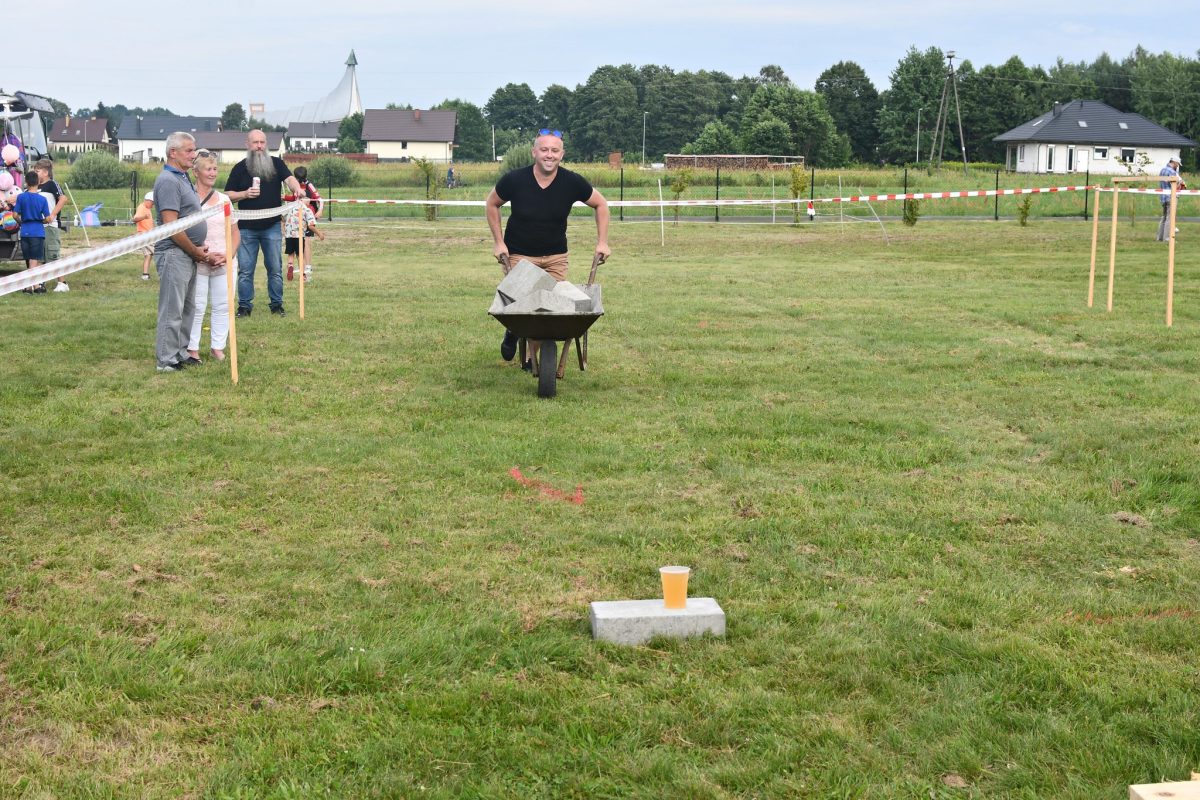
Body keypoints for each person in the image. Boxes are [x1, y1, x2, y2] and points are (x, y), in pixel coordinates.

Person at [485, 129, 610, 363]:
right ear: (534, 152)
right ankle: (513, 330)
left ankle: (531, 360)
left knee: (549, 310)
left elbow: (601, 204)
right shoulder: (515, 180)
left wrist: (602, 241)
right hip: (520, 255)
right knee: (524, 305)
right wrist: (499, 243)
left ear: (562, 154)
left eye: (554, 150)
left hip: (556, 257)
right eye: (544, 149)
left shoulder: (572, 181)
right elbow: (492, 204)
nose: (549, 155)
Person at [153, 131, 220, 372]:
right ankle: (166, 360)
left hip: (188, 254)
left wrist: (196, 251)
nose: (194, 155)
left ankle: (180, 353)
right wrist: (195, 251)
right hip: (174, 253)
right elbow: (172, 226)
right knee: (173, 309)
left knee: (187, 308)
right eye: (189, 150)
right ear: (173, 152)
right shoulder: (168, 181)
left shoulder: (182, 178)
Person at [223, 129, 306, 317]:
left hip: (272, 227)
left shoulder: (277, 163)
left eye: (262, 142)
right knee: (245, 270)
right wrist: (244, 194)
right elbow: (227, 195)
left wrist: (297, 189)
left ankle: (276, 305)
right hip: (246, 228)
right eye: (255, 142)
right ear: (247, 144)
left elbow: (290, 179)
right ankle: (244, 307)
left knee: (275, 269)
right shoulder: (239, 168)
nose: (259, 146)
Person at [187, 149, 238, 363]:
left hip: (224, 261)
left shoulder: (224, 200)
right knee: (197, 306)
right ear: (196, 172)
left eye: (215, 169)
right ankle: (192, 348)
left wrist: (228, 255)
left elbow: (235, 232)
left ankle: (218, 346)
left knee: (223, 305)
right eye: (208, 169)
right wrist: (202, 254)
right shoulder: (188, 199)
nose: (212, 173)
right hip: (198, 260)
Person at [282, 164, 323, 281]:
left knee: (306, 242)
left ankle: (307, 267)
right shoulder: (295, 186)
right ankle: (303, 269)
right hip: (297, 218)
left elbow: (320, 199)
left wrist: (320, 210)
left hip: (308, 215)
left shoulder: (309, 185)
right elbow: (295, 198)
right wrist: (285, 197)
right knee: (301, 245)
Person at [12, 169, 50, 294]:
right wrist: (42, 221)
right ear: (38, 182)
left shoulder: (21, 197)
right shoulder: (42, 199)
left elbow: (14, 214)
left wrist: (21, 222)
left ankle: (31, 287)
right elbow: (48, 218)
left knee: (28, 259)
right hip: (37, 231)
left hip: (25, 231)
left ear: (26, 183)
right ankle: (34, 286)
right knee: (34, 259)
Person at [34, 160, 68, 292]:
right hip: (38, 227)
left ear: (45, 172)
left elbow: (63, 198)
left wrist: (53, 214)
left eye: (37, 171)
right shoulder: (34, 186)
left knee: (53, 255)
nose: (35, 173)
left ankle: (62, 283)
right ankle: (39, 282)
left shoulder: (52, 184)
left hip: (50, 226)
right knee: (39, 257)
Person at [282, 201, 325, 282]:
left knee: (290, 254)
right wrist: (319, 233)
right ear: (306, 202)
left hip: (289, 236)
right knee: (300, 256)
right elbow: (311, 226)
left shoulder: (289, 207)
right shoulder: (307, 210)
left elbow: (282, 219)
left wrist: (284, 232)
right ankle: (303, 275)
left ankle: (290, 266)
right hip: (299, 236)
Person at [1157, 155, 1185, 243]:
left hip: (1163, 197)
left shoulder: (1162, 170)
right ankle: (1167, 238)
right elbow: (1175, 186)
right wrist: (1181, 183)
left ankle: (1160, 237)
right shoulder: (1172, 172)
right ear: (1174, 162)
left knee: (1164, 217)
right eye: (1177, 164)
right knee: (1170, 218)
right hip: (1171, 197)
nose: (1178, 166)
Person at [132, 192, 155, 279]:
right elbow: (135, 219)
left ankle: (145, 274)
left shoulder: (147, 208)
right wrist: (144, 217)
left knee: (149, 255)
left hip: (148, 234)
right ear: (148, 200)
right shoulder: (142, 207)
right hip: (144, 235)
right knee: (155, 252)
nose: (153, 205)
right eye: (152, 203)